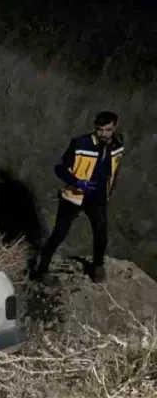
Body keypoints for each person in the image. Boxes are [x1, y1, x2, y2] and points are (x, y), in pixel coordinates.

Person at [31, 111, 125, 284]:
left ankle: (97, 267)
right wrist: (76, 182)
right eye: (99, 130)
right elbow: (59, 168)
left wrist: (109, 192)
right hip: (74, 196)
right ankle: (41, 270)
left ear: (115, 126)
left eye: (107, 130)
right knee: (59, 233)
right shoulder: (80, 143)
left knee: (101, 233)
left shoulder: (118, 145)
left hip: (98, 197)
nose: (103, 134)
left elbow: (114, 170)